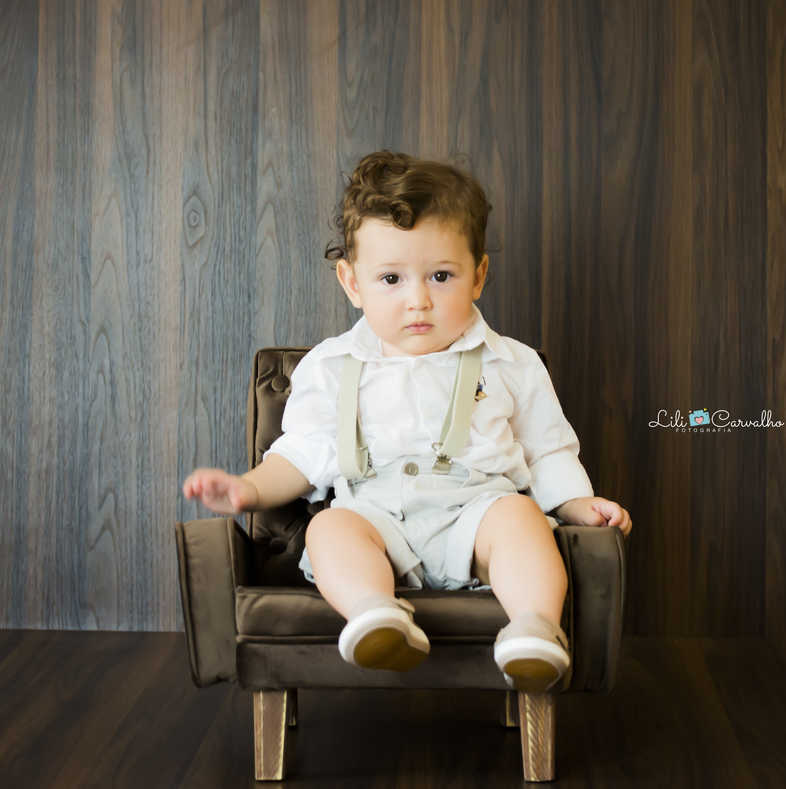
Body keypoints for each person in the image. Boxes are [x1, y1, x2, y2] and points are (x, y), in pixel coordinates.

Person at [183, 150, 632, 694]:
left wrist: (580, 505)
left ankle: (535, 629)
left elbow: (547, 452)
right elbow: (301, 455)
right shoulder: (330, 366)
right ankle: (376, 615)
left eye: (441, 275)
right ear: (352, 283)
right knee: (329, 528)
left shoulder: (511, 362)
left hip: (477, 513)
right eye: (391, 278)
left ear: (479, 275)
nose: (418, 300)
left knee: (521, 521)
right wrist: (247, 489)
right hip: (374, 516)